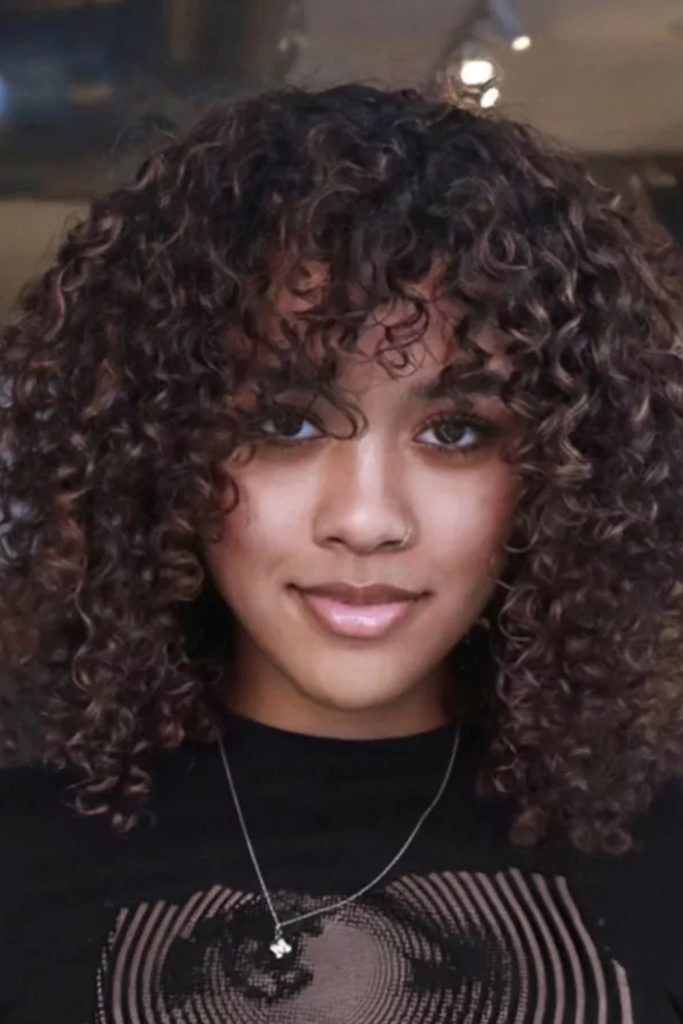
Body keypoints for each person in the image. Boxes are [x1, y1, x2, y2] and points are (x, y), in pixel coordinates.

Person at [0, 83, 682, 1024]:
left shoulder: (662, 854)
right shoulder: (21, 858)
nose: (366, 520)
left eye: (454, 432)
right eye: (284, 422)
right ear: (160, 449)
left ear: (563, 472)